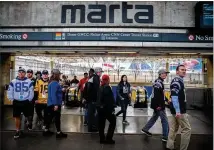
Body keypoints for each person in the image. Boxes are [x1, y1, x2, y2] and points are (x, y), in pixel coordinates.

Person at [166, 65, 191, 150]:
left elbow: (173, 95)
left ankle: (169, 146)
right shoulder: (177, 81)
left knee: (174, 128)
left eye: (185, 70)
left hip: (175, 109)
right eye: (182, 70)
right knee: (187, 129)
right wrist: (178, 111)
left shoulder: (178, 81)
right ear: (177, 72)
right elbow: (175, 96)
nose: (184, 71)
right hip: (179, 110)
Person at [141, 69, 170, 142]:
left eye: (166, 74)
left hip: (157, 104)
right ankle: (165, 136)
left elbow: (161, 94)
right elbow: (157, 95)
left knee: (154, 117)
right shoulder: (158, 83)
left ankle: (145, 129)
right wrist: (159, 105)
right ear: (160, 74)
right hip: (159, 105)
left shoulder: (159, 82)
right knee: (165, 120)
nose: (165, 75)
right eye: (164, 73)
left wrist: (167, 100)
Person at [7, 68, 34, 139]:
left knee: (29, 115)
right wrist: (12, 99)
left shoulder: (29, 81)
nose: (21, 73)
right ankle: (17, 130)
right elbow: (10, 91)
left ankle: (29, 122)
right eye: (20, 72)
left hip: (26, 101)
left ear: (25, 73)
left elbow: (31, 91)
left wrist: (29, 99)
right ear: (18, 73)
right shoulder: (13, 81)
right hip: (17, 101)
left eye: (23, 72)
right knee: (17, 116)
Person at [43, 69, 67, 138]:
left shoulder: (54, 82)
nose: (60, 75)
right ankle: (58, 133)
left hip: (52, 104)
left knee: (50, 118)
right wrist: (56, 104)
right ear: (55, 75)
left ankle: (46, 131)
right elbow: (53, 95)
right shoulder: (54, 83)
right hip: (54, 104)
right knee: (57, 118)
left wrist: (61, 89)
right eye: (59, 74)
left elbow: (54, 92)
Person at [97, 75, 116, 144]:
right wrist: (112, 108)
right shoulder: (107, 87)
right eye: (109, 79)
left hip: (100, 108)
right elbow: (109, 100)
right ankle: (109, 138)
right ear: (107, 80)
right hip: (106, 109)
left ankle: (102, 139)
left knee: (101, 124)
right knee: (113, 121)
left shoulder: (100, 87)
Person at [84, 68, 103, 132]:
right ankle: (91, 128)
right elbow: (96, 90)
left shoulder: (92, 78)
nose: (101, 73)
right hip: (92, 100)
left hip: (90, 99)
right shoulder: (96, 78)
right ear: (98, 72)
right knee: (92, 114)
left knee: (91, 114)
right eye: (100, 72)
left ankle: (91, 127)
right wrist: (96, 100)